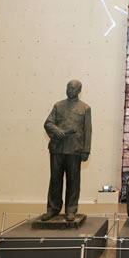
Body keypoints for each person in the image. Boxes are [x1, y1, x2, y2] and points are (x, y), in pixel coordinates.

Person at [41, 80, 92, 222]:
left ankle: (71, 209)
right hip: (57, 148)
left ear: (79, 91)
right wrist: (57, 131)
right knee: (55, 180)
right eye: (68, 88)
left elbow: (88, 131)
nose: (70, 90)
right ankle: (53, 208)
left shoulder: (85, 108)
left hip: (74, 149)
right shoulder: (58, 105)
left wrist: (86, 150)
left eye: (73, 88)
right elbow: (48, 123)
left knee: (73, 181)